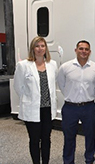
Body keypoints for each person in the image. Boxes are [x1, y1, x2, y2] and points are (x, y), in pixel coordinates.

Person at [14, 36, 58, 164]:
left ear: (46, 48)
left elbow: (53, 84)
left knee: (46, 138)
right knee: (34, 139)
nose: (40, 49)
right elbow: (18, 87)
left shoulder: (52, 64)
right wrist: (30, 99)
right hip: (32, 108)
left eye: (42, 46)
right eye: (37, 46)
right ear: (32, 48)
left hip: (47, 108)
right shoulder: (23, 65)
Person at [57, 40, 95, 164]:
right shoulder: (66, 67)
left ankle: (89, 159)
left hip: (88, 107)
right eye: (81, 48)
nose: (84, 51)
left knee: (91, 136)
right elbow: (61, 84)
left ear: (90, 52)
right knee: (69, 137)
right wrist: (71, 96)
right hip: (70, 107)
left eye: (86, 49)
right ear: (75, 50)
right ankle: (68, 161)